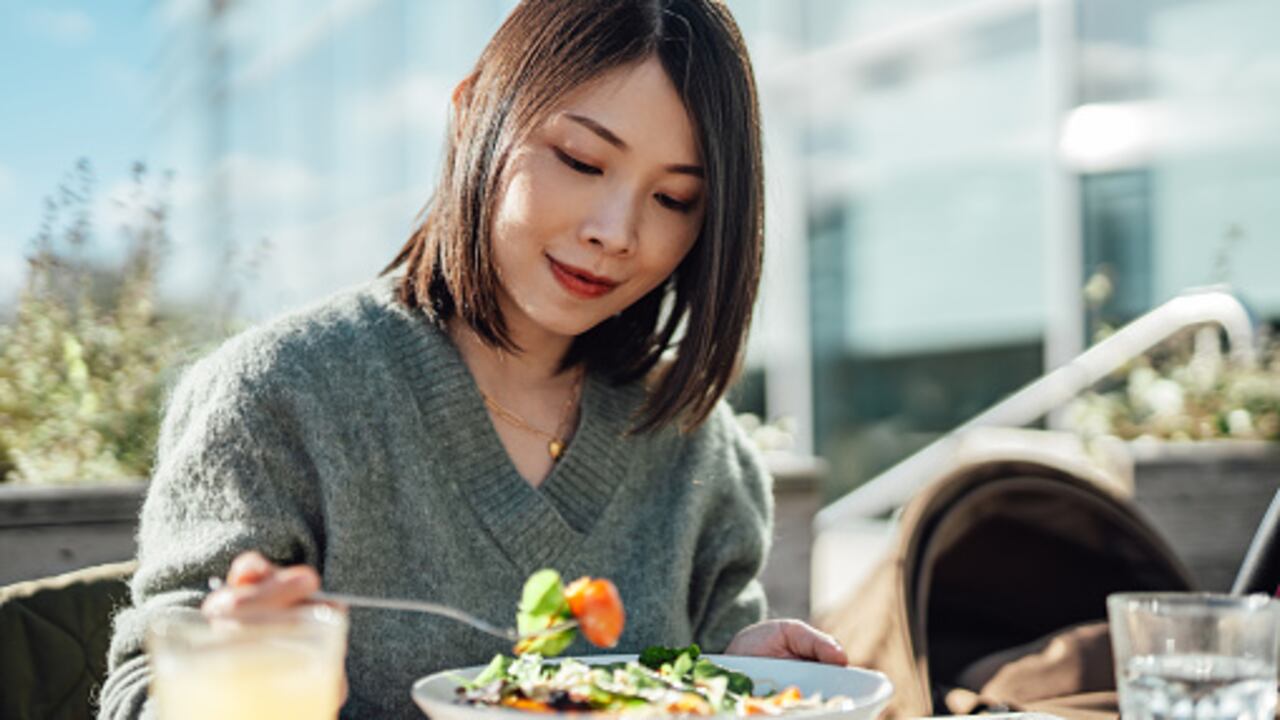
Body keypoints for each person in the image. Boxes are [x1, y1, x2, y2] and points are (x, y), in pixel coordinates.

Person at [98, 1, 846, 718]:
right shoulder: (278, 398)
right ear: (471, 115)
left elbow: (713, 679)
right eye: (582, 160)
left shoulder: (694, 447)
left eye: (675, 199)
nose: (617, 232)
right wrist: (229, 677)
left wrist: (743, 671)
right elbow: (136, 700)